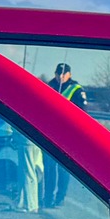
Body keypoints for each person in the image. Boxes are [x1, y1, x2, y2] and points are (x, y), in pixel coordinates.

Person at [42, 63, 86, 207]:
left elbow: (82, 114)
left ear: (69, 75)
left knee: (63, 169)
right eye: (58, 73)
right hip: (49, 134)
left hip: (67, 136)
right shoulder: (49, 86)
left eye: (63, 74)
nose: (60, 76)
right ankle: (48, 198)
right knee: (49, 169)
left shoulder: (76, 90)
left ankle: (59, 198)